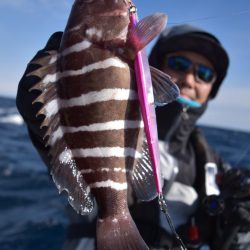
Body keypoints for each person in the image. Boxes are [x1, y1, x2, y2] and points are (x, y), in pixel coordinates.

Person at [16, 24, 250, 250]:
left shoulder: (211, 164)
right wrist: (49, 110)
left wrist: (237, 227)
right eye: (179, 63)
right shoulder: (107, 118)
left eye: (204, 73)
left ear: (212, 88)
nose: (189, 79)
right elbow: (62, 155)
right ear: (153, 65)